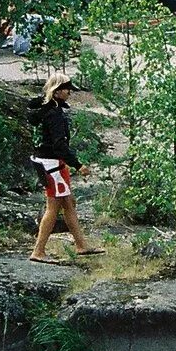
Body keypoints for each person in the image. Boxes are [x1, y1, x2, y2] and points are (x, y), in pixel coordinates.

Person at [28, 73, 103, 263]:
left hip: (43, 160)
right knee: (53, 207)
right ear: (58, 90)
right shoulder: (55, 115)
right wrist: (78, 165)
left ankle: (81, 245)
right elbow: (60, 146)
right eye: (67, 89)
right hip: (52, 165)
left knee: (68, 202)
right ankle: (38, 251)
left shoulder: (42, 109)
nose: (70, 93)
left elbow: (34, 104)